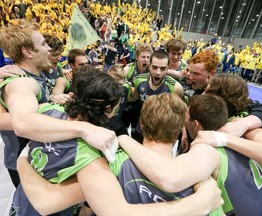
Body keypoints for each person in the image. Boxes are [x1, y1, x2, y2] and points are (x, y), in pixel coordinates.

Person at [15, 70, 223, 216]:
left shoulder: (47, 113)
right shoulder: (97, 156)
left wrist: (23, 158)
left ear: (141, 122)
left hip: (20, 202)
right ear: (179, 130)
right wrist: (198, 204)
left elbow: (22, 122)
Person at [118, 91, 262, 215]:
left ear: (141, 123)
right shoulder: (247, 131)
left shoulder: (205, 158)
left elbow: (171, 177)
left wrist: (123, 139)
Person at [0, 20, 117, 187]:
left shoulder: (41, 75)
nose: (48, 48)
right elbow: (23, 123)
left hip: (40, 156)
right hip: (28, 162)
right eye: (42, 44)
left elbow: (59, 84)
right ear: (27, 52)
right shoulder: (21, 82)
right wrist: (85, 128)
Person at [130, 50, 183, 143]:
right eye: (154, 67)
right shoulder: (139, 80)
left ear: (167, 68)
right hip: (141, 130)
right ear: (149, 66)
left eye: (162, 69)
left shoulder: (175, 88)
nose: (158, 72)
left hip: (161, 135)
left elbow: (178, 114)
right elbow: (133, 97)